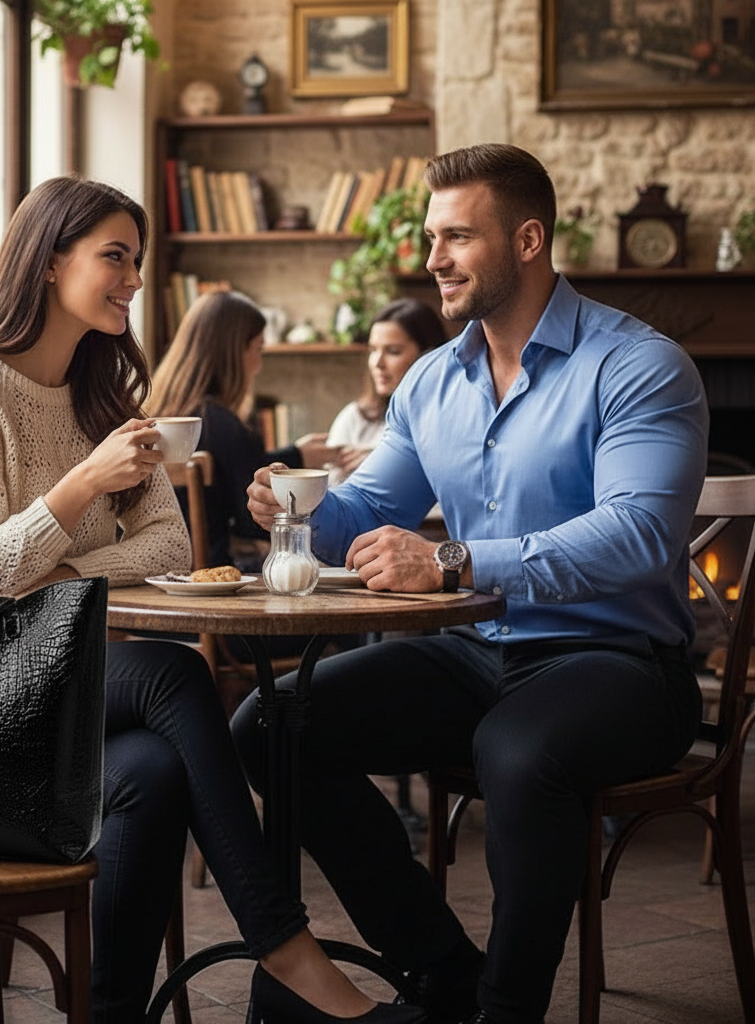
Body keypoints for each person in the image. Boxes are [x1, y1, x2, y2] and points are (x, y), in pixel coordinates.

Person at [0, 176, 418, 1024]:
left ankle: (113, 1013)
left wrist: (53, 569)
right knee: (174, 677)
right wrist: (82, 486)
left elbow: (171, 549)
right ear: (49, 259)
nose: (134, 277)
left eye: (138, 258)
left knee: (152, 769)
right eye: (115, 257)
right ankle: (287, 955)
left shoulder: (102, 393)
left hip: (44, 675)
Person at [233, 144, 708, 1024]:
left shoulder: (639, 365)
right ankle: (442, 973)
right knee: (271, 728)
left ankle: (507, 1010)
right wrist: (296, 506)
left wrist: (453, 561)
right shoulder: (430, 381)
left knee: (519, 752)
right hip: (474, 652)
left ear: (528, 240)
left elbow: (640, 535)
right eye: (429, 236)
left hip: (619, 662)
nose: (432, 258)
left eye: (456, 236)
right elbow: (376, 503)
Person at [149, 289, 339, 570]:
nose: (259, 365)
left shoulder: (156, 415)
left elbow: (231, 470)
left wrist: (296, 455)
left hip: (155, 577)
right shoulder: (220, 423)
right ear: (236, 351)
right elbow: (256, 520)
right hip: (211, 578)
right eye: (258, 348)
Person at [325, 298, 446, 487]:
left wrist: (387, 464)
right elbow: (329, 492)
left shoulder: (452, 418)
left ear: (428, 356)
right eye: (373, 350)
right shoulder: (354, 418)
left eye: (393, 351)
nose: (377, 363)